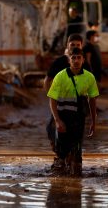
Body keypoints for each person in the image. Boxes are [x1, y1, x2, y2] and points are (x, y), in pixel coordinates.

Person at [47, 47, 99, 176]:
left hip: (79, 120)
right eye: (73, 58)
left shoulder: (89, 77)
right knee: (62, 153)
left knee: (77, 155)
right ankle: (60, 180)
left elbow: (92, 100)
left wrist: (93, 120)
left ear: (83, 60)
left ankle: (75, 188)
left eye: (78, 58)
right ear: (69, 60)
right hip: (63, 118)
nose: (76, 60)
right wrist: (57, 120)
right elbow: (52, 100)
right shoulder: (60, 77)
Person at [44, 33, 90, 168]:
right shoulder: (59, 63)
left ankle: (76, 162)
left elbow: (92, 85)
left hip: (78, 108)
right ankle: (60, 156)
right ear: (67, 46)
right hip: (61, 106)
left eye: (78, 45)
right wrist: (53, 97)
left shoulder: (84, 63)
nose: (75, 47)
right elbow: (47, 81)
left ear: (82, 46)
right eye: (72, 45)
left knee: (77, 138)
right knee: (52, 129)